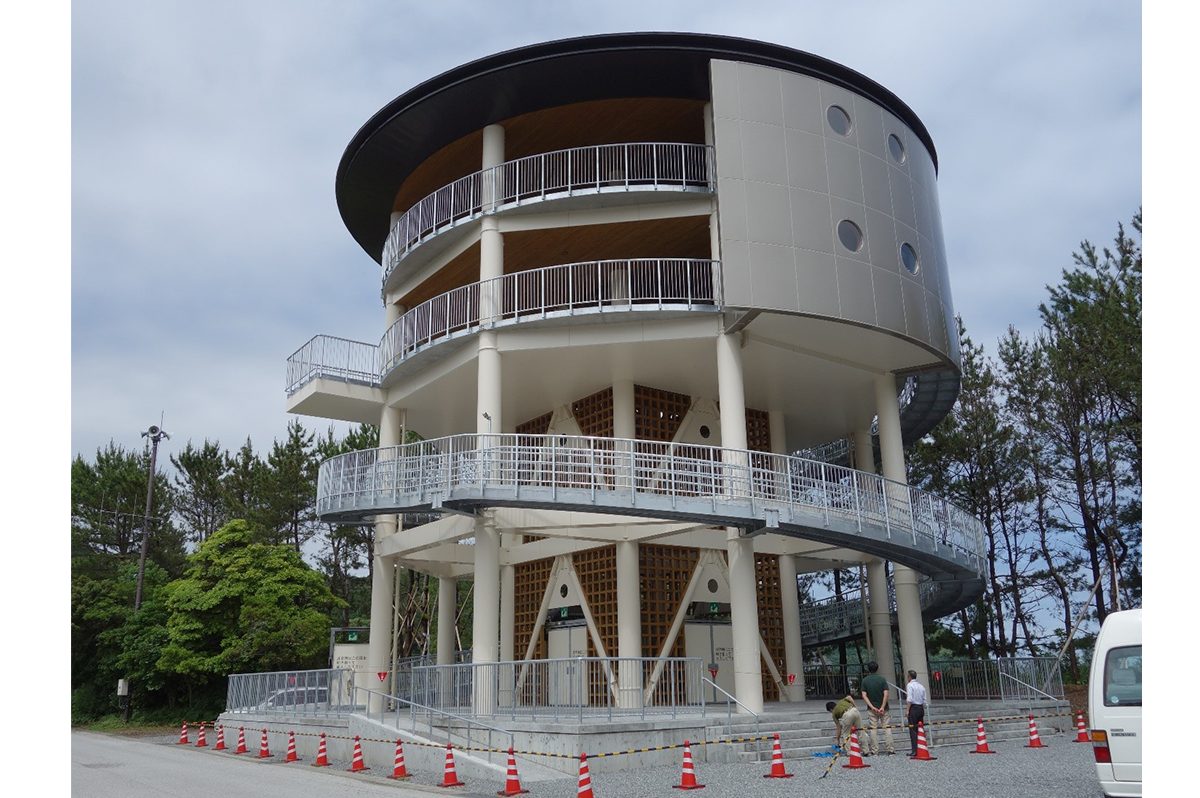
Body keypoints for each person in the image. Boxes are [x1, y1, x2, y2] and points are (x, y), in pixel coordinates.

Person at [859, 661, 895, 755]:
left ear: (868, 669)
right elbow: (886, 694)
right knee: (887, 728)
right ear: (877, 668)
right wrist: (882, 707)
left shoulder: (865, 680)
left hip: (872, 709)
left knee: (873, 729)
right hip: (884, 709)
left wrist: (872, 707)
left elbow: (864, 695)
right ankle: (890, 750)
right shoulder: (882, 679)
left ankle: (875, 751)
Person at [904, 669, 928, 757]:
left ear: (909, 677)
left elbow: (909, 699)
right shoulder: (921, 686)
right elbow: (925, 699)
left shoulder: (910, 685)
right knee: (920, 728)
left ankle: (914, 750)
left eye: (907, 676)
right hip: (921, 708)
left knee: (913, 729)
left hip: (913, 708)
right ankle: (921, 746)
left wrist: (907, 710)